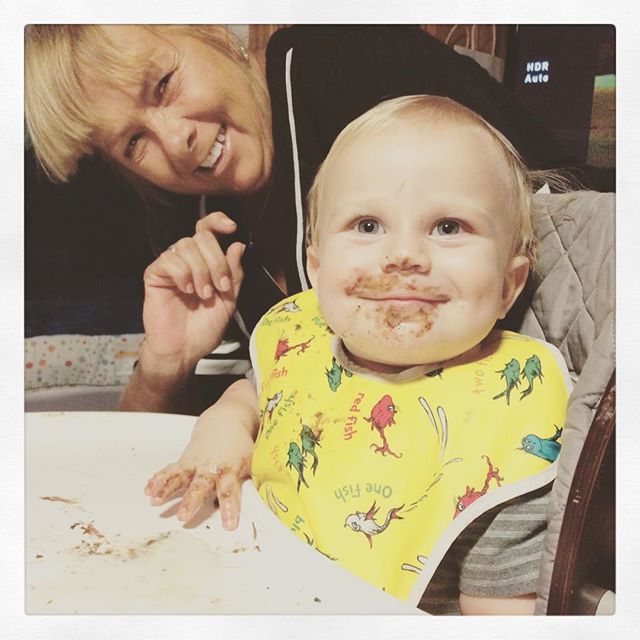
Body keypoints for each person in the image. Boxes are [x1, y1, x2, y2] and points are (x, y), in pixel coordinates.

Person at [25, 25, 584, 564]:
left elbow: (573, 222)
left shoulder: (347, 63)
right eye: (133, 142)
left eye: (164, 84)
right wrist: (166, 363)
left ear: (212, 33)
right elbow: (178, 444)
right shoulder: (195, 232)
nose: (175, 140)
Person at [145, 96, 572, 614]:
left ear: (509, 285)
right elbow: (263, 389)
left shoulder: (512, 422)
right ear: (317, 268)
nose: (403, 255)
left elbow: (500, 613)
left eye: (449, 227)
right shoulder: (300, 339)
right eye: (368, 225)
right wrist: (227, 424)